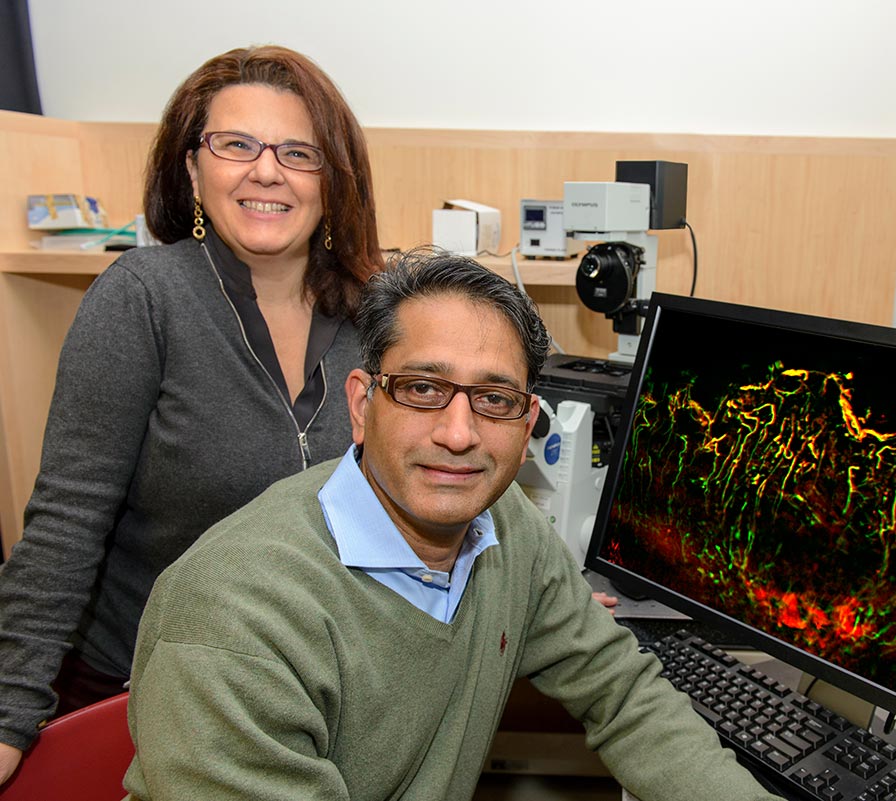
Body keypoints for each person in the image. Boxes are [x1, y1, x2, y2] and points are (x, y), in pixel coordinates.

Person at [122, 250, 780, 801]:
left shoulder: (504, 525)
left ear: (526, 431)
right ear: (361, 404)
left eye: (494, 400)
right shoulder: (234, 619)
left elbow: (619, 688)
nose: (459, 433)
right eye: (422, 388)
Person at [0, 44, 383, 785]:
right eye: (235, 144)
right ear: (191, 170)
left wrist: (536, 582)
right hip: (140, 693)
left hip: (311, 696)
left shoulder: (378, 315)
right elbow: (65, 522)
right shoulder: (141, 297)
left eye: (298, 152)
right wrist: (8, 712)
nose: (265, 171)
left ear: (333, 181)